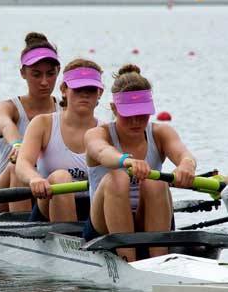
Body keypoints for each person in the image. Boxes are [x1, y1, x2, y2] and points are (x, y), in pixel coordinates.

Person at [84, 64, 196, 262]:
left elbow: (184, 155)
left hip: (148, 216)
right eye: (129, 114)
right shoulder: (97, 134)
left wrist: (186, 166)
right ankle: (129, 262)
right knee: (118, 177)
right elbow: (102, 152)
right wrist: (125, 161)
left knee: (155, 181)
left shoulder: (161, 133)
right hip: (103, 224)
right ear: (113, 108)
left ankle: (160, 263)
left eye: (142, 113)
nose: (136, 120)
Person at [16, 59, 104, 222]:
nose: (84, 94)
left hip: (94, 208)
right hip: (49, 204)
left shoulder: (106, 131)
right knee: (61, 177)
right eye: (78, 89)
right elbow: (22, 164)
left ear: (100, 93)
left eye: (91, 89)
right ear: (64, 89)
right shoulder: (43, 124)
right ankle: (68, 241)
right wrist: (34, 178)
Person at [0, 32, 61, 213]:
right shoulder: (7, 107)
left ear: (58, 72)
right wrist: (17, 144)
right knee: (18, 165)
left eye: (50, 74)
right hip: (3, 194)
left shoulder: (65, 110)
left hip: (47, 188)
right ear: (23, 73)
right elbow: (6, 125)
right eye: (36, 74)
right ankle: (22, 228)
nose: (44, 82)